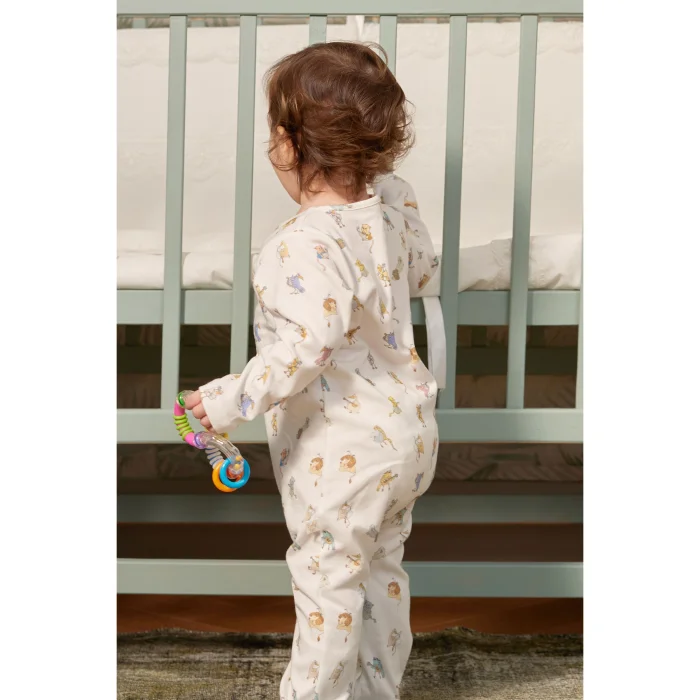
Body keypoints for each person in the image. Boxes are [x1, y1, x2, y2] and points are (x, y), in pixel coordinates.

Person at [186, 41, 440, 700]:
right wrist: (397, 194)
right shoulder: (389, 215)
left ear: (291, 146)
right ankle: (376, 692)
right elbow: (423, 270)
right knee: (381, 575)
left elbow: (305, 347)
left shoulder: (298, 243)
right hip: (408, 437)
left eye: (276, 132)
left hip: (342, 453)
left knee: (328, 587)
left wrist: (226, 401)